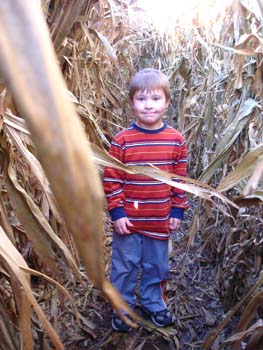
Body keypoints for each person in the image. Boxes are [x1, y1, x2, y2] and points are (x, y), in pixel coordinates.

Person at [103, 68, 189, 332]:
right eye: (141, 99)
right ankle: (123, 308)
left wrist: (177, 210)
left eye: (155, 99)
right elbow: (111, 179)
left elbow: (180, 179)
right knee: (124, 267)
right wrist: (117, 214)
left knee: (157, 265)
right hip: (128, 222)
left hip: (159, 220)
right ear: (132, 103)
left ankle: (154, 303)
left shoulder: (176, 141)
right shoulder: (122, 141)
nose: (148, 105)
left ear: (167, 102)